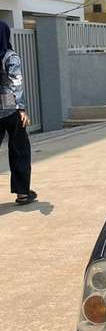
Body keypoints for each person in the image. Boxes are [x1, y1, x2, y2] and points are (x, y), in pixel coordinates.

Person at [0, 23, 36, 205]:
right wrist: (21, 108)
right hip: (10, 108)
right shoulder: (10, 57)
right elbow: (16, 83)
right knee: (19, 149)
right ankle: (22, 193)